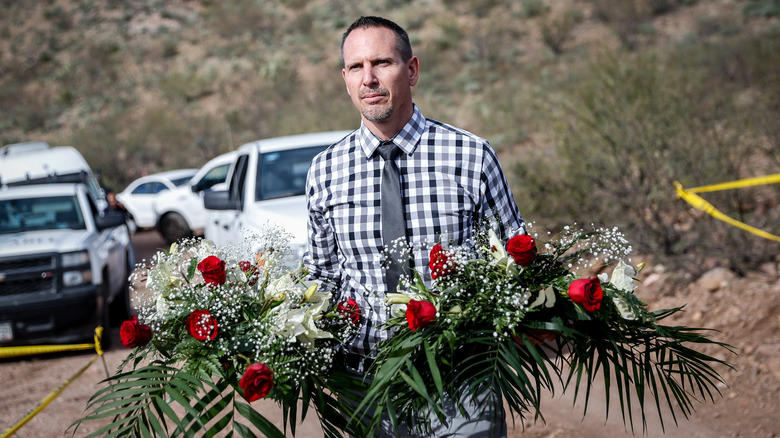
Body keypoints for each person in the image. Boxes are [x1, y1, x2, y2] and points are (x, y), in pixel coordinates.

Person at [304, 16, 525, 437]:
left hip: (462, 378)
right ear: (345, 79)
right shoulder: (324, 171)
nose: (368, 78)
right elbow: (324, 277)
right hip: (367, 385)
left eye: (382, 63)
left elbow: (514, 260)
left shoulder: (470, 155)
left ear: (412, 70)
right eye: (355, 67)